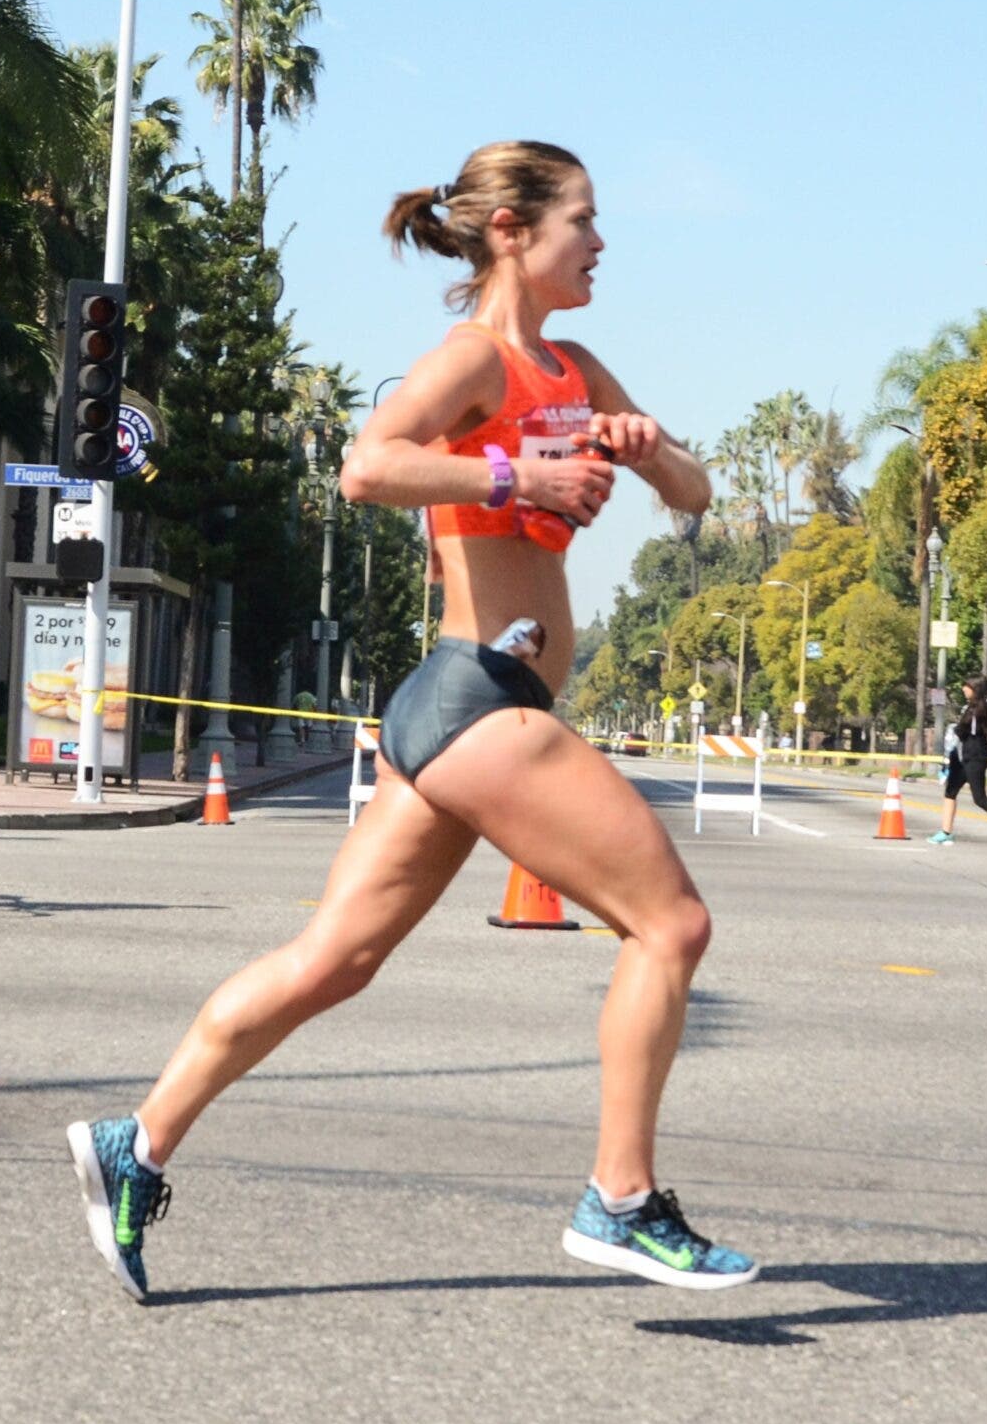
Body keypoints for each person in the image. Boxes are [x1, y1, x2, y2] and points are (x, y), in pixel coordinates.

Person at [65, 141, 750, 1304]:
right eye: (581, 220)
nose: (598, 242)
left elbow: (694, 495)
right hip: (480, 694)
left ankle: (138, 1142)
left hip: (470, 705)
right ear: (511, 232)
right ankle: (620, 1200)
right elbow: (365, 466)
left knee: (333, 960)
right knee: (670, 926)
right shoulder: (474, 359)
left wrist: (647, 450)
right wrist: (508, 483)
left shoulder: (574, 367)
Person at [931, 676, 987, 845]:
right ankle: (946, 832)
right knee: (950, 791)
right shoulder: (969, 708)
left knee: (980, 799)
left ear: (976, 689)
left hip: (976, 756)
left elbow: (963, 729)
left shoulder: (982, 707)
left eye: (967, 686)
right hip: (962, 755)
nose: (963, 689)